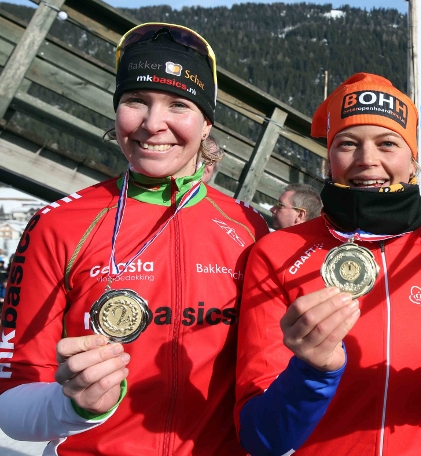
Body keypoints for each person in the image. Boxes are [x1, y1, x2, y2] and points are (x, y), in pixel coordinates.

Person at [0, 23, 269, 455]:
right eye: (135, 101)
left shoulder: (250, 229)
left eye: (179, 104)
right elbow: (11, 402)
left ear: (206, 125)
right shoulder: (59, 224)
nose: (152, 123)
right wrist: (75, 408)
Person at [235, 73, 421, 455]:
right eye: (348, 144)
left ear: (413, 160)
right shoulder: (276, 253)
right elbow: (261, 437)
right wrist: (313, 373)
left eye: (387, 143)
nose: (367, 160)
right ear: (328, 159)